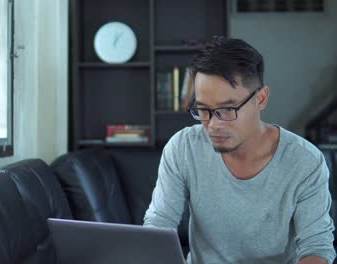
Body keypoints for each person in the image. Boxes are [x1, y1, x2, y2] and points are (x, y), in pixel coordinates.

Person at [143, 37, 335, 264]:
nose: (213, 124)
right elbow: (159, 224)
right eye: (203, 110)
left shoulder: (305, 161)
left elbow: (316, 246)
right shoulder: (183, 147)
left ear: (260, 99)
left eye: (227, 109)